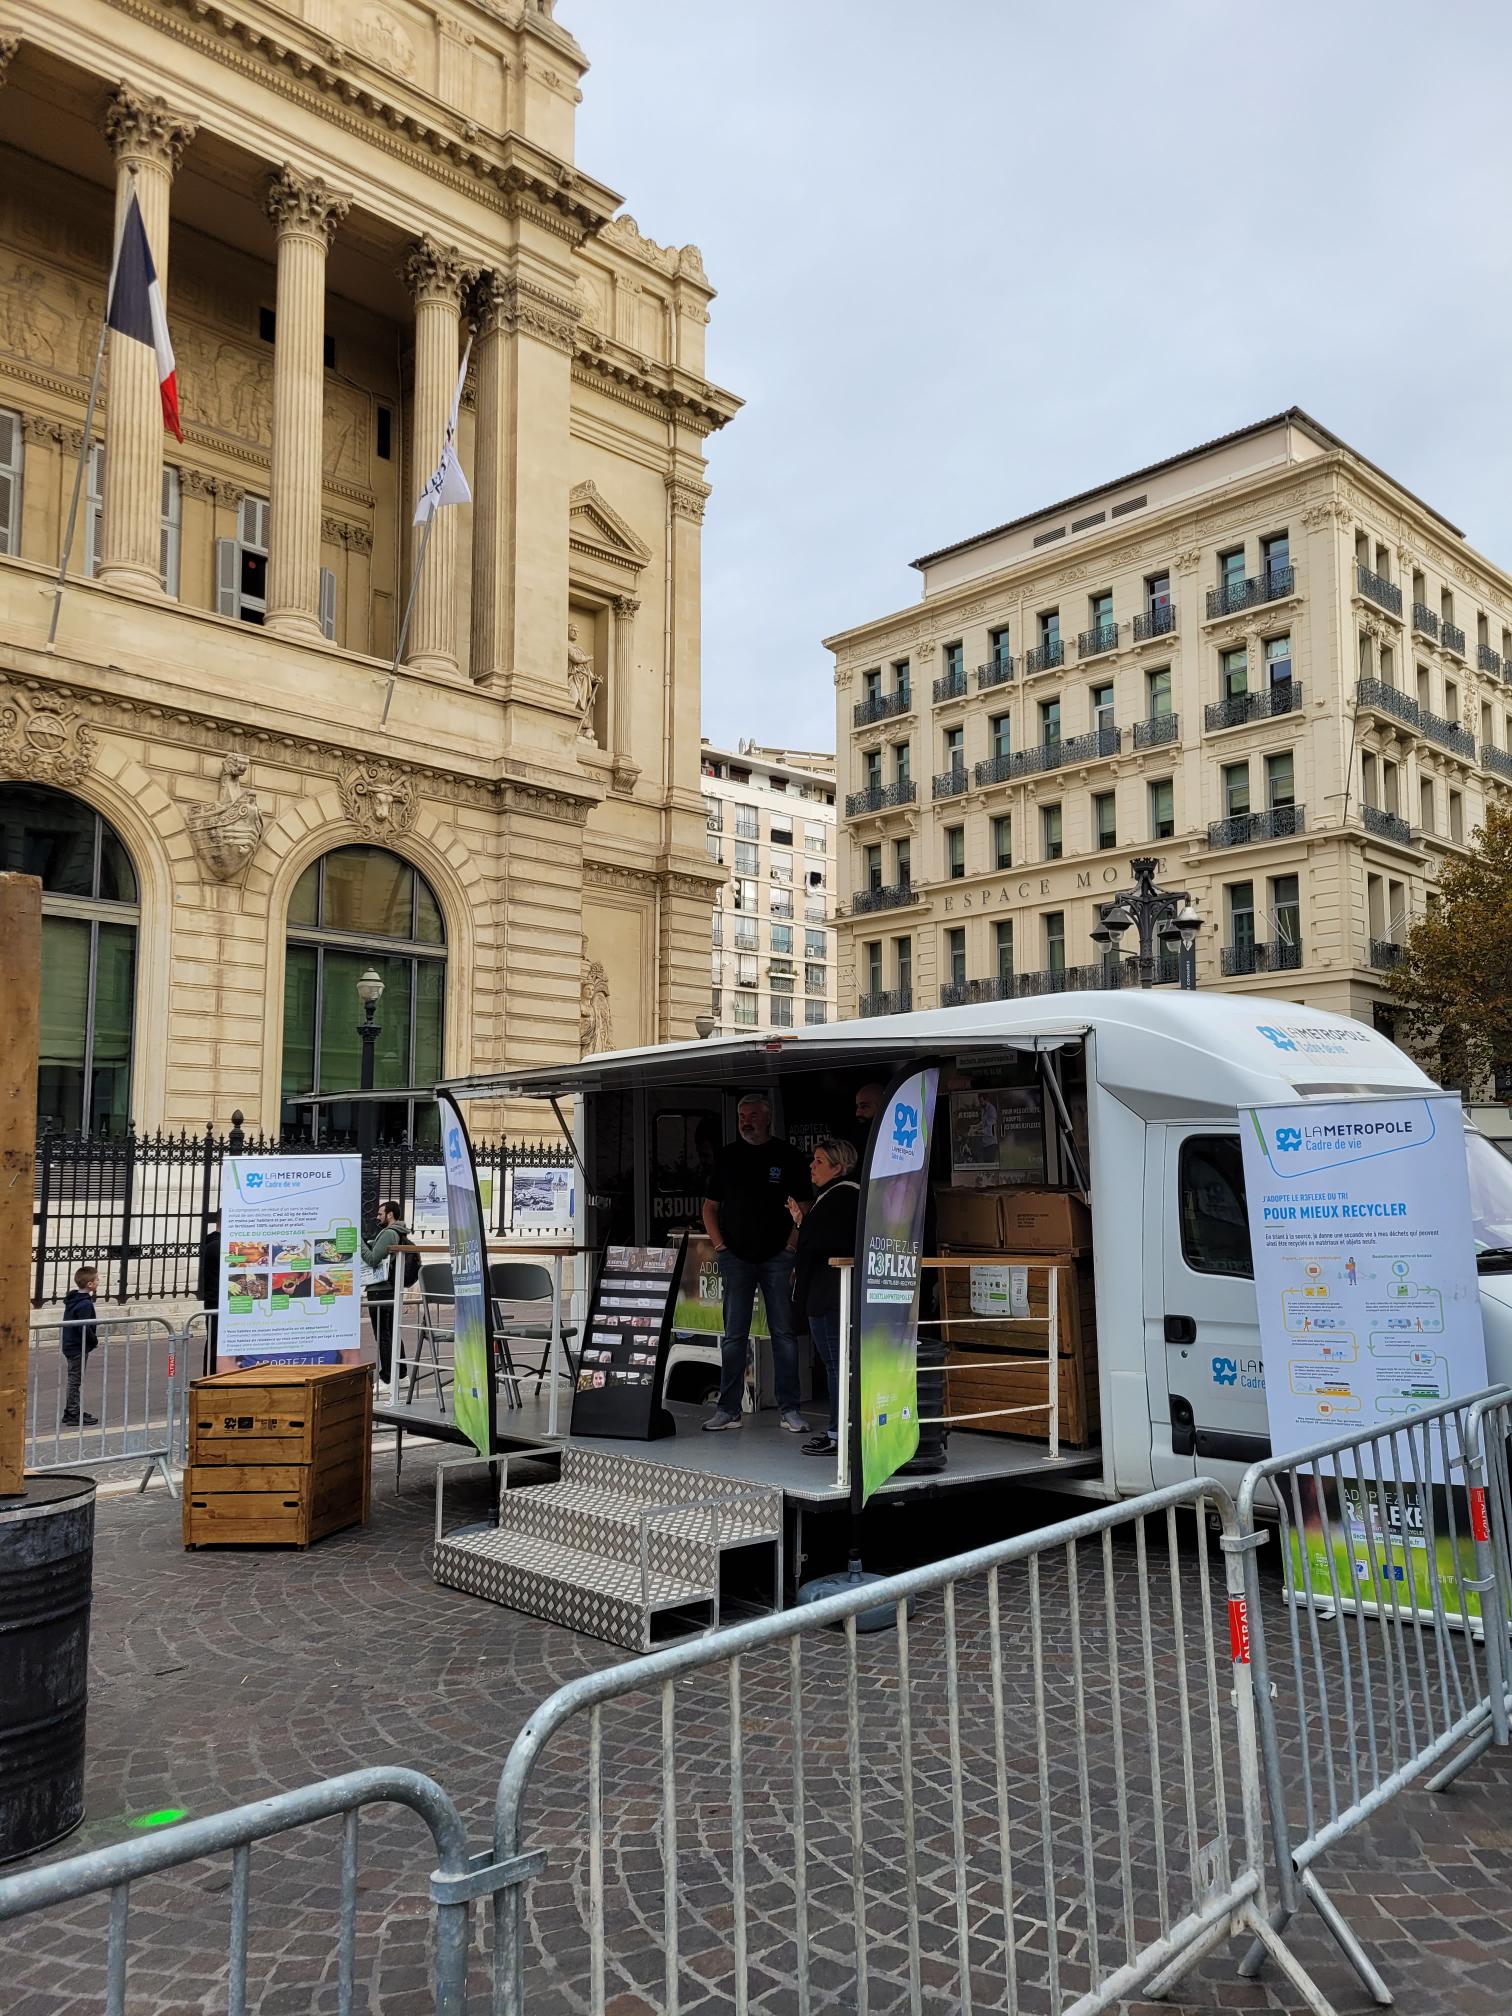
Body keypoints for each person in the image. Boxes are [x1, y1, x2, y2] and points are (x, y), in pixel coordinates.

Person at [701, 1094, 812, 1432]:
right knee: (734, 1336)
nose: (745, 1121)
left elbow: (805, 1206)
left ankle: (789, 1410)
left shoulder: (788, 1156)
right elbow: (709, 1207)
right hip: (736, 1258)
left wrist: (792, 1245)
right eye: (741, 1116)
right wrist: (720, 1246)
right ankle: (728, 1410)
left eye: (752, 1115)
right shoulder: (727, 1156)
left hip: (778, 1257)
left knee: (783, 1334)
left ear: (768, 1118)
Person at [789, 1138, 861, 1457]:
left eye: (819, 1161)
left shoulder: (842, 1196)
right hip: (829, 1293)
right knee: (837, 1364)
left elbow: (826, 1241)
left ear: (838, 1166)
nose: (811, 1166)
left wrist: (803, 1224)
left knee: (836, 1365)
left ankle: (837, 1433)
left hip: (830, 1295)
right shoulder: (836, 1196)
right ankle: (840, 1429)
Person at [359, 1199, 409, 1382]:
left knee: (384, 1336)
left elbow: (373, 1259)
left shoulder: (389, 1233)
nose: (377, 1217)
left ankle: (389, 1377)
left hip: (380, 1290)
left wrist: (360, 1243)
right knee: (391, 1333)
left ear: (390, 1214)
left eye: (380, 1214)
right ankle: (401, 1375)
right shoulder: (396, 1232)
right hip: (388, 1289)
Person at [61, 1264, 99, 1427]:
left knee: (74, 1379)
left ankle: (72, 1410)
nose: (99, 1282)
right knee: (75, 1380)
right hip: (77, 1346)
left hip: (72, 1344)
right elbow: (84, 1327)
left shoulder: (75, 1299)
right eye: (97, 1279)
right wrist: (94, 1340)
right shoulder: (84, 1304)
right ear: (89, 1284)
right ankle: (73, 1413)